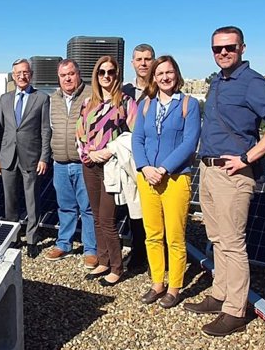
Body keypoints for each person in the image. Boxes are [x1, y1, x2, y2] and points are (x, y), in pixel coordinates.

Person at [182, 26, 265, 336]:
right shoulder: (218, 81)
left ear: (242, 47)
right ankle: (220, 294)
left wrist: (247, 158)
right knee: (216, 238)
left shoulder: (251, 82)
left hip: (233, 174)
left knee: (232, 243)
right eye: (217, 48)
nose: (223, 53)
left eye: (229, 47)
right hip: (209, 169)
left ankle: (235, 310)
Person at [132, 56, 201, 308]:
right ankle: (157, 282)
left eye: (169, 72)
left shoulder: (188, 104)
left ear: (177, 74)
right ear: (153, 77)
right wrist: (145, 167)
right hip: (147, 177)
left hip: (175, 178)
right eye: (159, 73)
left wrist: (163, 168)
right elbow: (137, 138)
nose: (164, 77)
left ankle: (174, 286)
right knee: (152, 234)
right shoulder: (146, 105)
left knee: (174, 235)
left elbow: (190, 142)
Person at [77, 56, 137, 286]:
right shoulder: (87, 103)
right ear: (96, 75)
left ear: (117, 74)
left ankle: (116, 266)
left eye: (110, 72)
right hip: (90, 165)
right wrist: (89, 154)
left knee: (107, 218)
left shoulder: (125, 102)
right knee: (96, 217)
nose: (106, 77)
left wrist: (110, 150)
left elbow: (134, 135)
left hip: (112, 167)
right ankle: (102, 261)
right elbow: (80, 133)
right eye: (101, 72)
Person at [44, 59, 98, 269]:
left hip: (84, 163)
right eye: (63, 75)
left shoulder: (91, 96)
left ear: (79, 74)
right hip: (60, 163)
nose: (67, 78)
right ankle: (64, 244)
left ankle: (90, 249)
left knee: (87, 208)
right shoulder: (53, 99)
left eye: (71, 74)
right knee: (65, 207)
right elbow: (48, 129)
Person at [0, 59, 51, 258]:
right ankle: (13, 237)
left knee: (32, 200)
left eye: (26, 72)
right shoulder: (4, 99)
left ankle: (32, 239)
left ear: (31, 74)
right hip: (8, 156)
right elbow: (2, 131)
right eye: (18, 73)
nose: (22, 76)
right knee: (9, 199)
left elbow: (46, 130)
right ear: (13, 75)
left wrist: (44, 157)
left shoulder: (42, 98)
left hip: (31, 157)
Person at [122, 43, 156, 274]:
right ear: (132, 63)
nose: (143, 63)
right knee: (133, 207)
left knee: (153, 209)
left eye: (147, 59)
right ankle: (138, 251)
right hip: (128, 157)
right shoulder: (124, 90)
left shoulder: (161, 87)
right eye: (139, 59)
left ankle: (154, 255)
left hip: (153, 158)